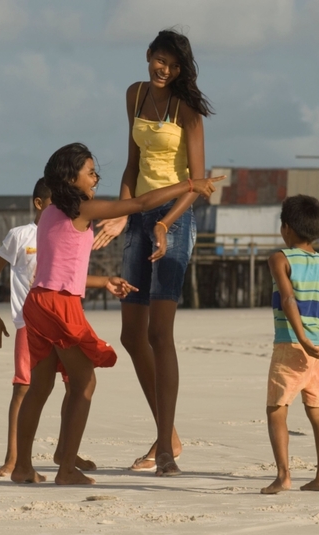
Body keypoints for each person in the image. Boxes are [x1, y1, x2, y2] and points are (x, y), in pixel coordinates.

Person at [10, 143, 222, 485]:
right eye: (90, 172)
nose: (97, 177)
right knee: (84, 382)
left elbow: (60, 267)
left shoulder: (49, 211)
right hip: (60, 305)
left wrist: (103, 281)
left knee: (41, 386)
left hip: (38, 302)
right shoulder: (83, 209)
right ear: (70, 177)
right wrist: (189, 185)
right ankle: (66, 468)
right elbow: (138, 204)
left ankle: (22, 467)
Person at [92, 28, 215, 476]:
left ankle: (165, 448)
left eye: (170, 63)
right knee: (130, 335)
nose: (161, 68)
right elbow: (131, 162)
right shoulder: (136, 94)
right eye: (157, 59)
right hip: (139, 214)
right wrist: (123, 211)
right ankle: (171, 435)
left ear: (181, 69)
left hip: (174, 219)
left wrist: (164, 222)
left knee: (160, 335)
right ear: (148, 57)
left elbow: (198, 183)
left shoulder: (189, 111)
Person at [0, 178, 96, 477]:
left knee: (74, 385)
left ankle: (64, 451)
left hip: (61, 319)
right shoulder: (20, 235)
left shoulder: (63, 230)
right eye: (54, 202)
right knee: (24, 388)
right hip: (28, 321)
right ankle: (14, 458)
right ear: (39, 203)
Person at [261, 195, 319, 494]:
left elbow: (287, 300)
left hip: (291, 344)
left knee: (276, 409)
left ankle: (284, 475)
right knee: (317, 411)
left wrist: (300, 338)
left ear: (286, 228)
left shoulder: (280, 258)